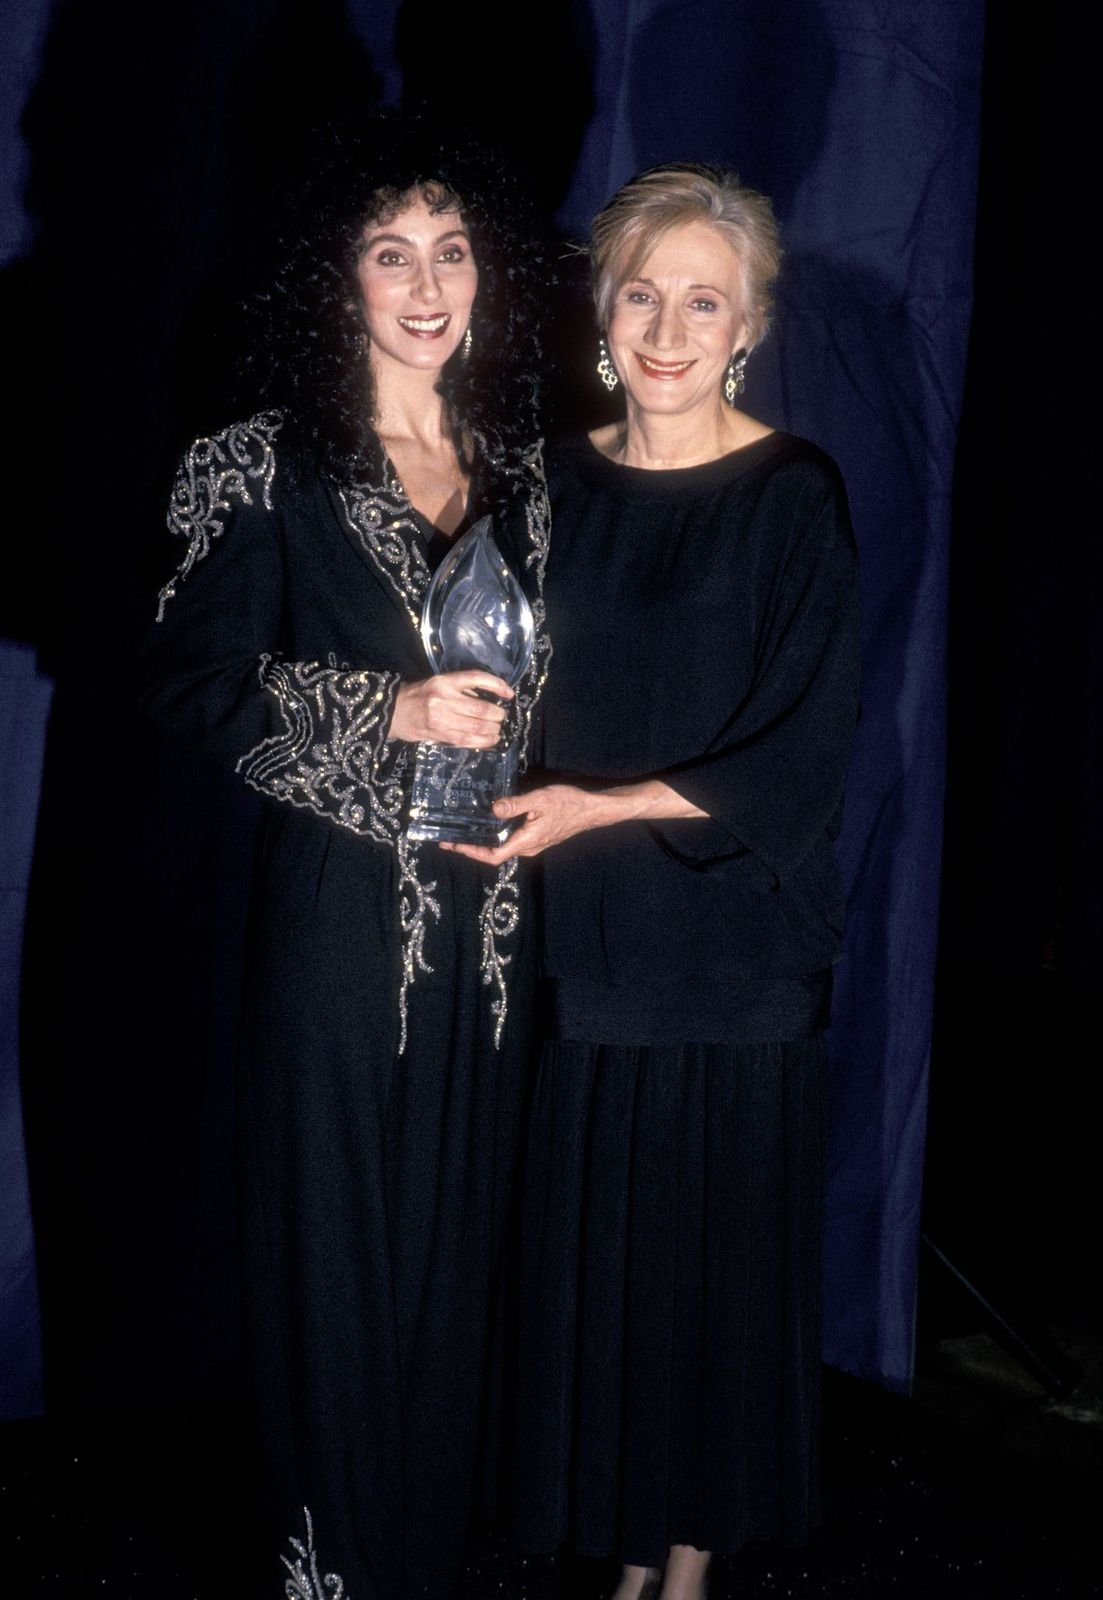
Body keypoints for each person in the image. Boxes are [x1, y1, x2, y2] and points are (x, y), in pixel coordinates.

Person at [141, 118, 551, 1600]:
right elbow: (186, 692)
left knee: (462, 1282)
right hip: (329, 934)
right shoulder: (254, 466)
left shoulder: (530, 467)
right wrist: (387, 702)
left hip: (502, 947)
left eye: (452, 249)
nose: (428, 283)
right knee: (330, 1281)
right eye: (391, 252)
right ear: (338, 280)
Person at [447, 164, 861, 1599]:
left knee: (706, 1282)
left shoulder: (793, 494)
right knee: (604, 1280)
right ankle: (630, 1556)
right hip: (591, 944)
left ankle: (679, 1574)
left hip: (737, 951)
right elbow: (489, 683)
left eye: (705, 303)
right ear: (601, 314)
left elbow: (803, 752)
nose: (669, 330)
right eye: (643, 294)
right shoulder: (550, 485)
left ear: (748, 328)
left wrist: (595, 806)